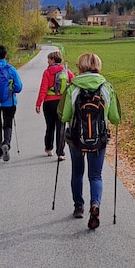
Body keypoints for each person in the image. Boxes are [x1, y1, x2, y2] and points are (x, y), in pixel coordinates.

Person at [58, 53, 121, 229]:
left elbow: (64, 116)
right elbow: (115, 118)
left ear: (80, 67)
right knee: (96, 175)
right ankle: (96, 205)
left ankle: (79, 206)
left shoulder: (73, 88)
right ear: (98, 66)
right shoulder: (106, 87)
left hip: (77, 139)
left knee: (77, 173)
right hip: (99, 140)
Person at [35, 50, 74, 161]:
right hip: (62, 103)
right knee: (61, 127)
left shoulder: (47, 72)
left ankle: (48, 148)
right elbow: (74, 82)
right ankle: (60, 152)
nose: (47, 61)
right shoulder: (66, 72)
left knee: (50, 126)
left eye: (49, 59)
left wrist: (38, 103)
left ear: (53, 60)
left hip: (48, 103)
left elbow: (43, 89)